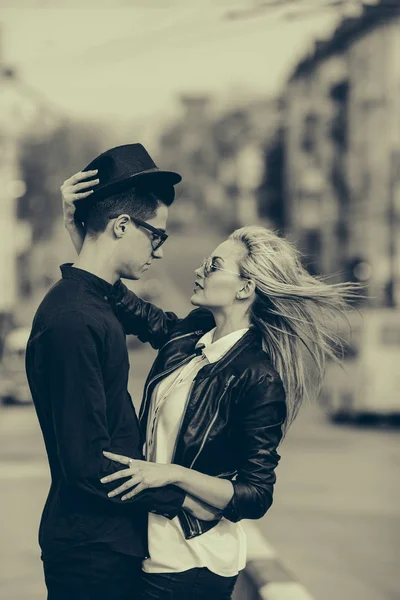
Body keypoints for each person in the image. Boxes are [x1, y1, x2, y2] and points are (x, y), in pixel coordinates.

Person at [62, 169, 359, 600]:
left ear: (245, 289)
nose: (201, 269)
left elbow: (255, 494)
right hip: (150, 547)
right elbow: (128, 305)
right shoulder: (189, 337)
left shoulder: (258, 376)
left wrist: (175, 475)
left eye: (215, 265)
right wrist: (83, 235)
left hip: (193, 562)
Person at [26, 144, 219, 600]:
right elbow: (88, 466)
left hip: (109, 543)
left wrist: (83, 242)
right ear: (121, 226)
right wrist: (184, 500)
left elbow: (168, 331)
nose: (158, 249)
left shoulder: (91, 304)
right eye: (157, 235)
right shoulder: (73, 320)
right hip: (92, 554)